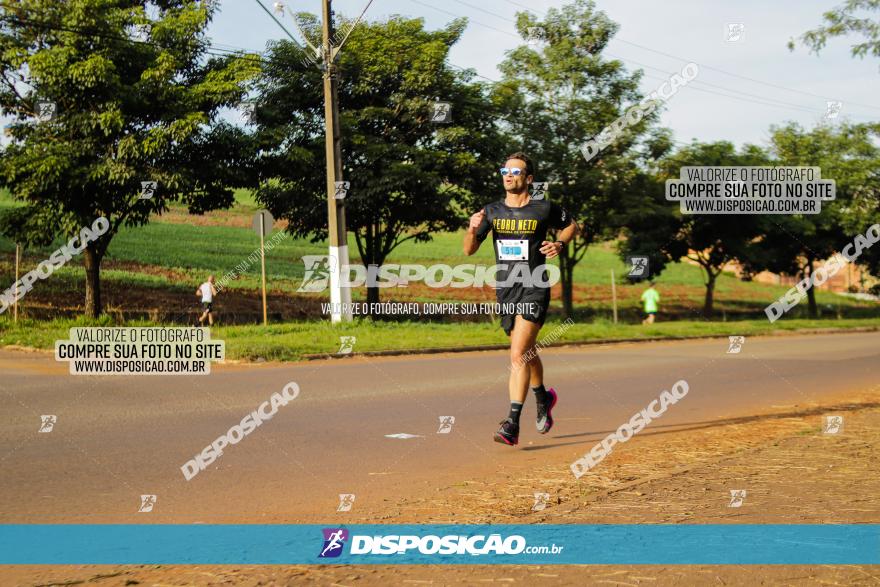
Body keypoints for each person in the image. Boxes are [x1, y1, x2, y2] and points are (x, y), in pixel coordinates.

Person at [463, 152, 579, 446]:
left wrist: (559, 243)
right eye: (505, 170)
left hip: (535, 286)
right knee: (526, 351)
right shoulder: (491, 211)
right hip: (506, 288)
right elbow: (469, 251)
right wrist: (472, 227)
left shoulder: (544, 208)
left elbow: (572, 225)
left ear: (528, 179)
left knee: (517, 355)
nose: (508, 175)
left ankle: (511, 424)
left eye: (515, 171)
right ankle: (544, 397)